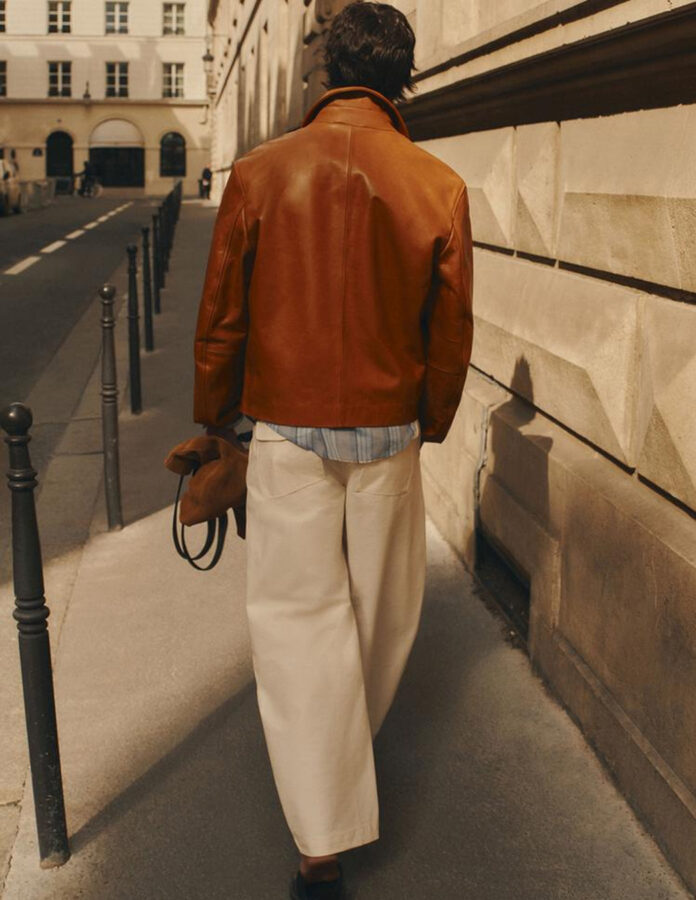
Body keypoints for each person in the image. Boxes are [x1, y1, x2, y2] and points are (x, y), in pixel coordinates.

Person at [192, 3, 474, 898]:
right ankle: (329, 812)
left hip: (286, 430)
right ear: (404, 78)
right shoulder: (436, 182)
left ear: (323, 72)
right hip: (389, 431)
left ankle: (320, 829)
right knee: (383, 617)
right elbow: (452, 328)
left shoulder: (261, 171)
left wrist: (213, 422)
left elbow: (222, 319)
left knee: (298, 622)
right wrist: (429, 419)